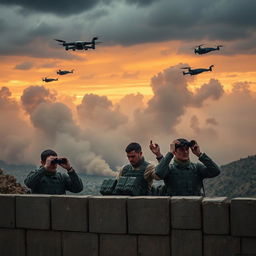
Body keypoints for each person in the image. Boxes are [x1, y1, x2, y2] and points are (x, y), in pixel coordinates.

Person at [149, 138, 221, 196]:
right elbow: (159, 173)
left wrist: (199, 154)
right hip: (174, 210)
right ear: (175, 152)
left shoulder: (197, 168)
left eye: (187, 149)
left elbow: (216, 171)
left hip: (195, 209)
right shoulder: (170, 169)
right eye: (181, 149)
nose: (185, 152)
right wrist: (170, 153)